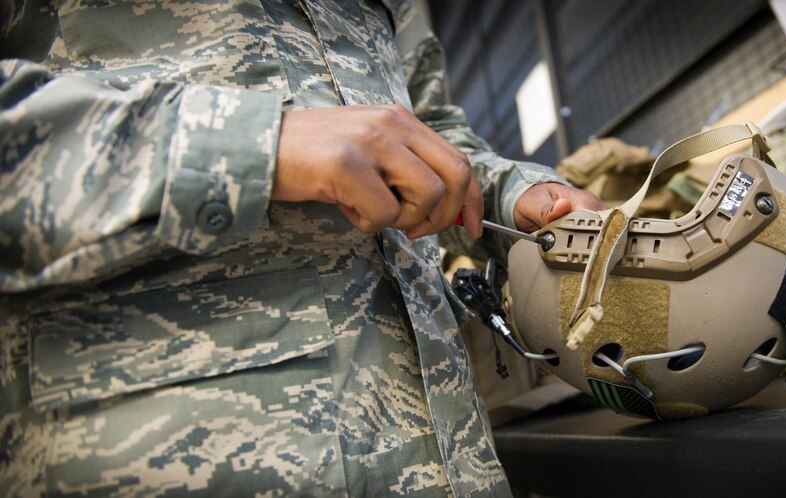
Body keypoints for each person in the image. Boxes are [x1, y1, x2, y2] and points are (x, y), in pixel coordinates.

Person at [0, 0, 601, 496]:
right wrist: (251, 142)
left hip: (446, 456)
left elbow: (426, 125)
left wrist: (513, 192)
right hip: (188, 449)